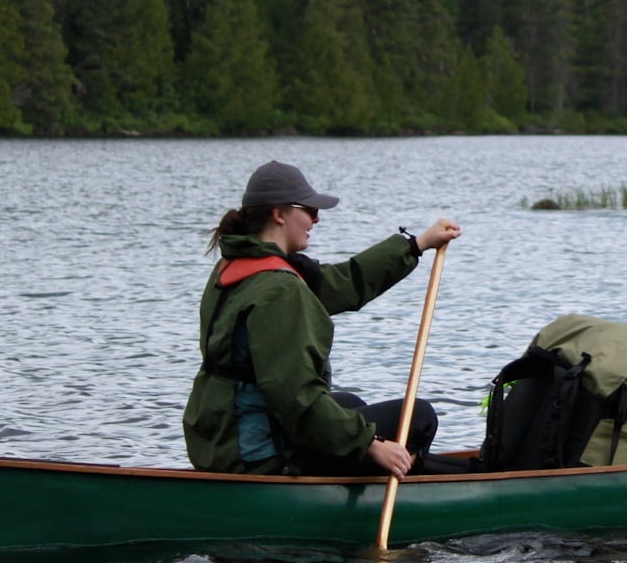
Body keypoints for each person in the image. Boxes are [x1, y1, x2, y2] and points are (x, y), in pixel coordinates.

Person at [183, 160, 461, 477]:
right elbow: (297, 397)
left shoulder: (236, 266)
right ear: (279, 214)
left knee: (349, 401)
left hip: (219, 437)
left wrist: (416, 245)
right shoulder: (279, 290)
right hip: (257, 454)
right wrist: (370, 444)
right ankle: (403, 483)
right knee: (418, 416)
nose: (316, 218)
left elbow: (342, 283)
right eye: (309, 209)